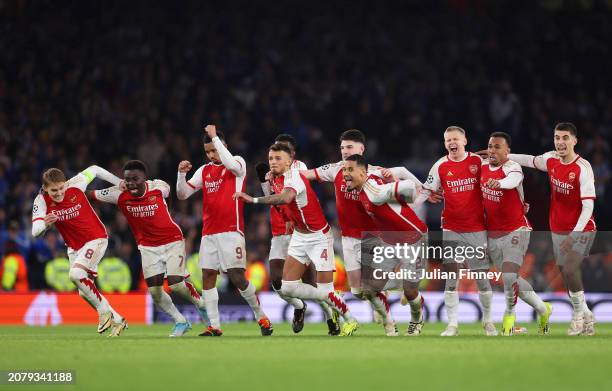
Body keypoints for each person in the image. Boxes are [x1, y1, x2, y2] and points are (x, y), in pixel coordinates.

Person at [234, 143, 358, 336]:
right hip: (300, 237)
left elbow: (285, 198)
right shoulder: (273, 178)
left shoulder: (294, 176)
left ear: (290, 161)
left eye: (278, 159)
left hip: (319, 237)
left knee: (325, 286)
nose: (273, 163)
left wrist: (253, 199)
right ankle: (318, 304)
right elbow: (286, 205)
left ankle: (349, 318)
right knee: (289, 287)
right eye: (271, 159)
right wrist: (289, 219)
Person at [92, 160, 210, 337]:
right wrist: (67, 188)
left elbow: (171, 192)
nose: (131, 182)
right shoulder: (118, 194)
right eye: (127, 179)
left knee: (176, 283)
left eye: (135, 178)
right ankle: (180, 321)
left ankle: (201, 305)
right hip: (147, 247)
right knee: (154, 291)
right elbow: (89, 195)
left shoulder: (157, 187)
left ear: (144, 179)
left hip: (172, 240)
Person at [177, 125, 272, 337]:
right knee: (208, 275)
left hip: (231, 230)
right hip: (209, 232)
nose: (212, 155)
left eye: (214, 150)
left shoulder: (237, 162)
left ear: (224, 146)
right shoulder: (204, 170)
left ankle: (261, 316)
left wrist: (214, 137)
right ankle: (215, 325)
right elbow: (182, 195)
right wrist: (180, 175)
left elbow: (230, 163)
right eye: (208, 151)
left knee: (237, 276)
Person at [301, 129, 398, 336]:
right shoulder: (335, 169)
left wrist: (392, 181)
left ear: (361, 150)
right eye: (343, 147)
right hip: (347, 237)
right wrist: (284, 170)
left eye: (350, 147)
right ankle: (382, 295)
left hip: (373, 237)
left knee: (370, 288)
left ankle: (390, 324)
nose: (345, 151)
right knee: (357, 291)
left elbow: (396, 193)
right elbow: (306, 174)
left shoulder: (376, 173)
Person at [507, 122, 596, 336]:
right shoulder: (551, 159)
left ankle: (577, 317)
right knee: (566, 273)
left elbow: (588, 206)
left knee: (569, 268)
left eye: (565, 138)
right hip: (557, 228)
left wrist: (574, 235)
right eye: (557, 137)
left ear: (574, 141)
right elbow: (529, 160)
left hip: (582, 228)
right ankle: (587, 315)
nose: (560, 142)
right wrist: (505, 156)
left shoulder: (582, 168)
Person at [31, 166, 127, 336]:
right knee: (84, 293)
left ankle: (104, 311)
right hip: (74, 247)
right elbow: (35, 231)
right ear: (45, 188)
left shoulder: (76, 184)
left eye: (62, 187)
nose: (60, 192)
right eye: (54, 190)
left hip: (96, 238)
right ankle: (118, 320)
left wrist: (118, 182)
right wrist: (46, 223)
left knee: (75, 274)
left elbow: (95, 169)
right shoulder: (41, 201)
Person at [256, 134, 337, 335]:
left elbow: (291, 197)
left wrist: (291, 216)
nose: (276, 159)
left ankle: (331, 317)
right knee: (277, 280)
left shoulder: (299, 169)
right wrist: (263, 181)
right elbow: (272, 198)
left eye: (284, 152)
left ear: (292, 154)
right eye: (273, 155)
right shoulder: (273, 172)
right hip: (279, 230)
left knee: (310, 282)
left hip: (300, 231)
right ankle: (299, 306)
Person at [420, 126, 495, 336]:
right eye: (447, 140)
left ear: (464, 141)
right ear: (445, 144)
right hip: (451, 229)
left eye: (455, 139)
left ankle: (488, 322)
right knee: (452, 277)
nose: (451, 143)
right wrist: (421, 196)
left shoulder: (478, 162)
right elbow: (427, 190)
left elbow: (497, 180)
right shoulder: (440, 165)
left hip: (477, 229)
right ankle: (452, 325)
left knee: (481, 278)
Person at [342, 154, 428, 336]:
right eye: (344, 170)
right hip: (389, 242)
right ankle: (390, 324)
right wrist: (390, 176)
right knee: (370, 289)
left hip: (413, 239)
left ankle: (416, 319)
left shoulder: (375, 192)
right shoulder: (372, 177)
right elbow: (401, 170)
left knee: (410, 292)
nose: (345, 174)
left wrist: (418, 192)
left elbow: (408, 186)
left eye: (350, 170)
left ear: (363, 172)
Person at [481, 132, 552, 336]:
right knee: (510, 279)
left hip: (516, 229)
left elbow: (512, 181)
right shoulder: (482, 167)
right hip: (493, 233)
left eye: (497, 147)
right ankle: (543, 308)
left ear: (507, 151)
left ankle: (509, 316)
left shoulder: (513, 167)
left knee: (510, 274)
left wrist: (500, 184)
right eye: (490, 146)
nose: (492, 150)